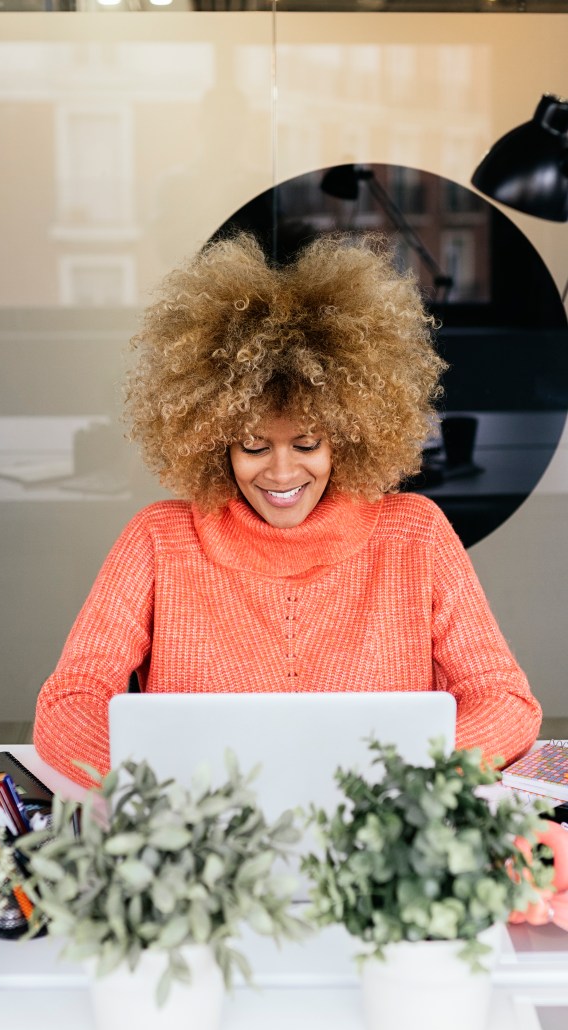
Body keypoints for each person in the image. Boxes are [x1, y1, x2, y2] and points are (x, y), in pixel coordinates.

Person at [34, 232, 542, 786]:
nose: (280, 474)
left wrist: (409, 790)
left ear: (347, 437)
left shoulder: (415, 536)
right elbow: (67, 706)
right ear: (214, 439)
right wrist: (171, 794)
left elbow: (506, 702)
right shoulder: (160, 539)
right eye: (253, 446)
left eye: (307, 444)